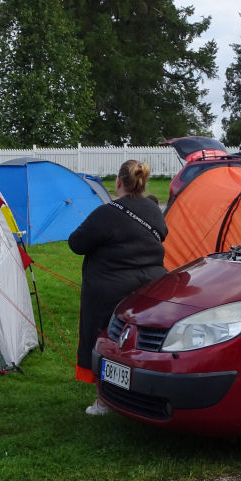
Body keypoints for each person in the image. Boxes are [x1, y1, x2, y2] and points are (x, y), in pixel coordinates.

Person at [68, 159, 168, 414]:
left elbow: (76, 244)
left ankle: (104, 400)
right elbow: (163, 233)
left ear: (119, 182)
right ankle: (139, 392)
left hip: (108, 288)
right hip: (150, 284)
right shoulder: (154, 209)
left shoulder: (107, 212)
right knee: (139, 343)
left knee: (103, 341)